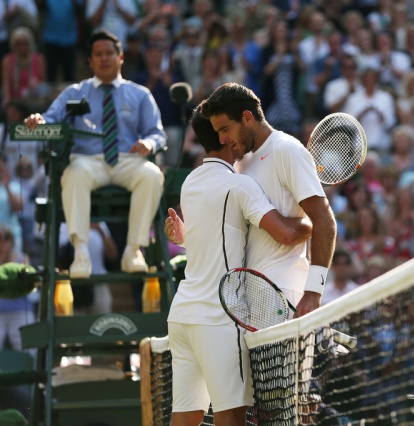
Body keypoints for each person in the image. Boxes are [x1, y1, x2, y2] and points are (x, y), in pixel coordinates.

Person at [164, 105, 312, 426]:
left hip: (182, 316)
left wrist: (183, 237)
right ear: (224, 137)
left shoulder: (190, 182)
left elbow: (213, 239)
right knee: (231, 420)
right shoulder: (239, 186)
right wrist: (313, 214)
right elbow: (287, 234)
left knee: (184, 418)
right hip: (218, 320)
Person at [23, 29, 167, 279]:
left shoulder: (140, 94)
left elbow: (158, 134)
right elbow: (50, 120)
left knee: (152, 175)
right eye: (97, 54)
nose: (104, 58)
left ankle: (133, 250)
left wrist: (149, 143)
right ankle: (81, 252)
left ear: (120, 57)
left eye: (109, 53)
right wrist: (39, 120)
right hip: (87, 161)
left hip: (127, 160)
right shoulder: (74, 92)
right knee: (74, 174)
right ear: (90, 61)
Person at [202, 82, 337, 318]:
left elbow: (324, 219)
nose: (222, 139)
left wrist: (314, 292)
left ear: (246, 118)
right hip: (250, 297)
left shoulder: (287, 149)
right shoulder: (242, 162)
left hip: (284, 293)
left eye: (225, 129)